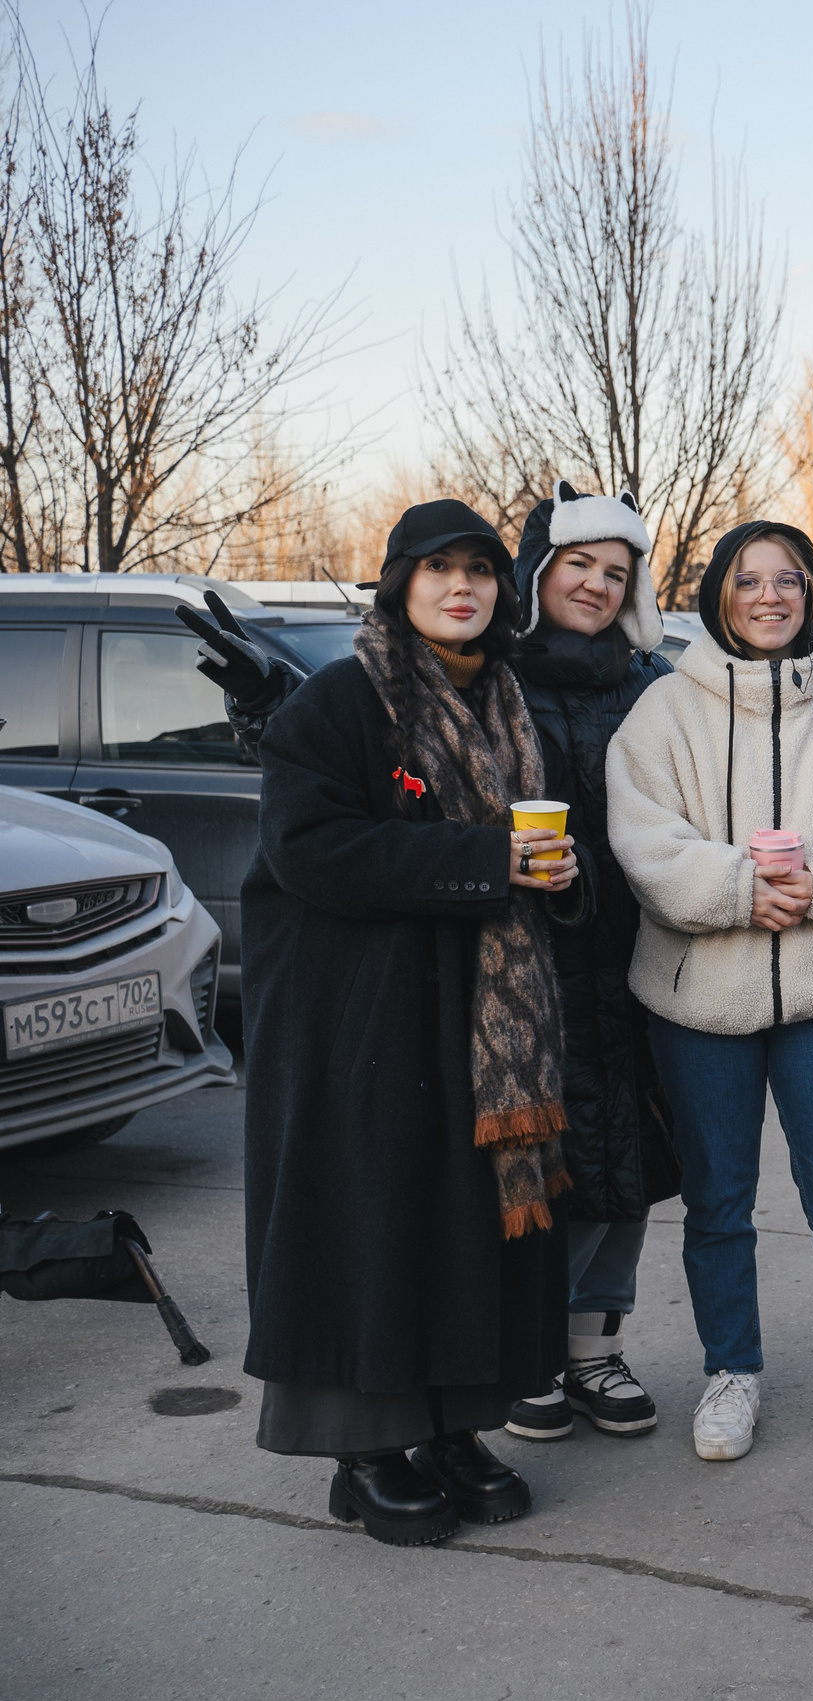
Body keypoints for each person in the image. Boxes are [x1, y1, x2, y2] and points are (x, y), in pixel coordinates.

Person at [240, 500, 578, 1546]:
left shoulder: (513, 703)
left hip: (482, 1022)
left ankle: (457, 1425)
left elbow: (547, 854)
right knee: (377, 1224)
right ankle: (367, 1447)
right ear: (400, 586)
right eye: (437, 570)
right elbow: (311, 850)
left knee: (467, 1227)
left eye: (479, 569)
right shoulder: (341, 700)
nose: (461, 585)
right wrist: (484, 862)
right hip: (364, 1020)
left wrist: (563, 877)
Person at [606, 520, 813, 1468]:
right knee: (717, 1201)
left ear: (810, 593)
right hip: (699, 1000)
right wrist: (740, 889)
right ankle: (732, 1372)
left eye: (787, 579)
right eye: (747, 580)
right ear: (717, 594)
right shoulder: (664, 710)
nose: (767, 596)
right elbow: (642, 840)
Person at [496, 483, 680, 1445]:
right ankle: (527, 1350)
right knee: (547, 1163)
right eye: (579, 565)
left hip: (645, 957)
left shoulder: (653, 684)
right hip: (525, 967)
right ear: (538, 572)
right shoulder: (492, 679)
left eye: (618, 572)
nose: (598, 585)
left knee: (635, 1160)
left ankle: (593, 1349)